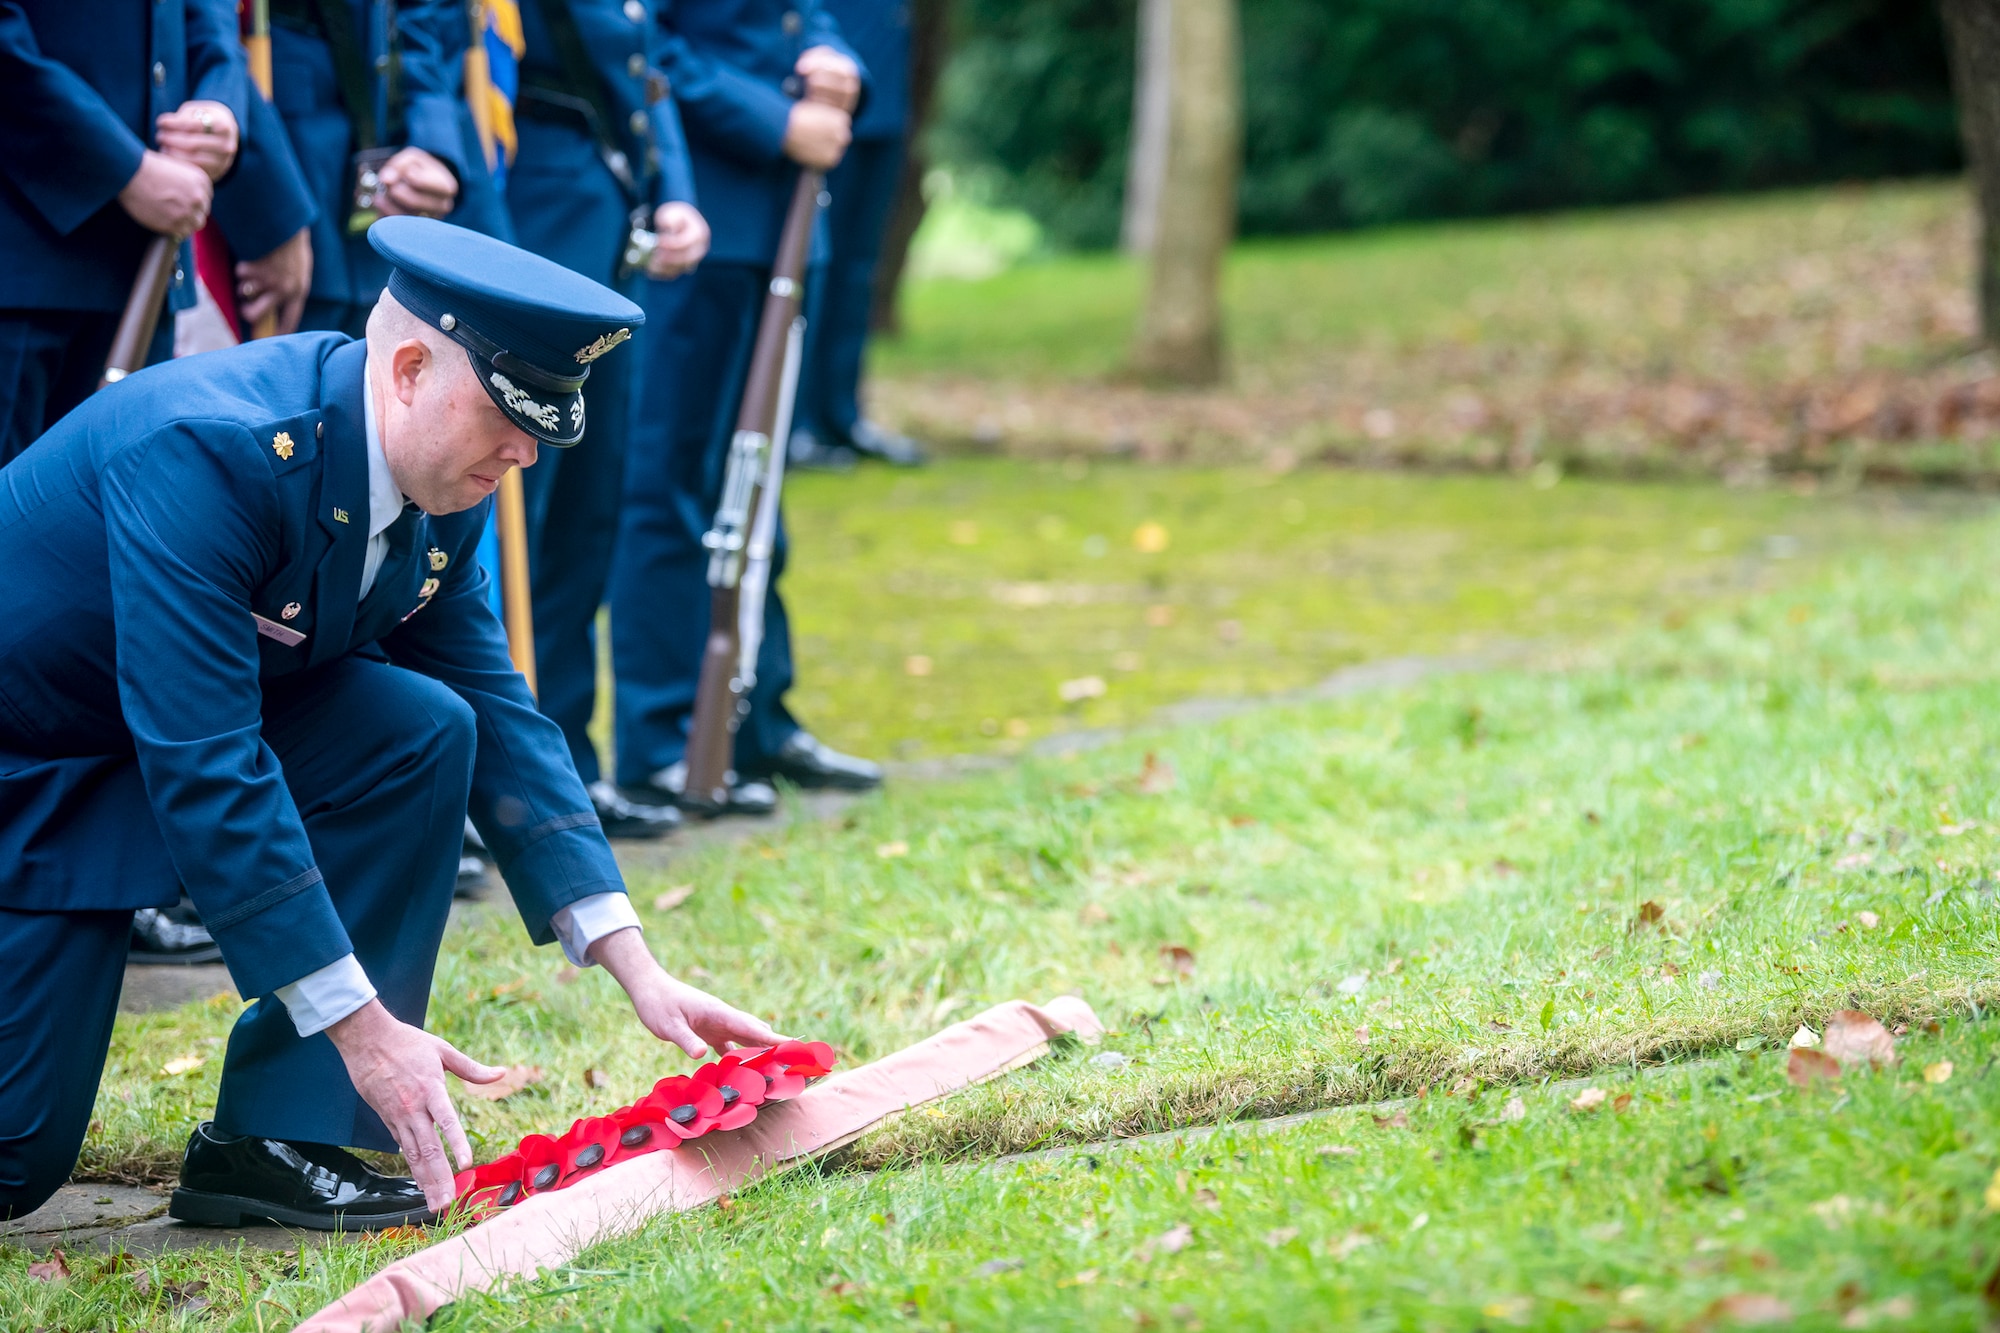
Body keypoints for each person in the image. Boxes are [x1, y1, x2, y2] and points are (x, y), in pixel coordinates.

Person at [0, 216, 782, 1228]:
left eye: (543, 420)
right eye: (509, 415)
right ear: (408, 368)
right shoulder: (211, 452)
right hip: (29, 768)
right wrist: (365, 1027)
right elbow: (207, 762)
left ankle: (281, 1139)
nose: (527, 451)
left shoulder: (441, 476)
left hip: (128, 753)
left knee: (419, 726)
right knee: (15, 1156)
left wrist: (631, 957)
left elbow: (497, 709)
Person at [610, 0, 885, 817]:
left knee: (760, 485)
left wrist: (841, 67)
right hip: (706, 213)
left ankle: (758, 718)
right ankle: (662, 737)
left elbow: (809, 17)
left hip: (793, 221)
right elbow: (647, 43)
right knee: (671, 480)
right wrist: (776, 123)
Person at [504, 0, 713, 838]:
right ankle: (508, 776)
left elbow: (645, 58)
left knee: (589, 506)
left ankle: (566, 765)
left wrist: (674, 191)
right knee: (527, 500)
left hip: (603, 199)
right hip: (529, 200)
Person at [0, 0, 248, 464]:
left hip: (145, 272)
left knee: (104, 527)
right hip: (20, 259)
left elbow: (209, 17)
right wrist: (121, 169)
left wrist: (221, 103)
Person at [264, 0, 515, 338]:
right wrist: (270, 214)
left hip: (394, 172)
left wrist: (433, 140)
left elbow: (420, 15)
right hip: (286, 176)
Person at [786, 0, 924, 471]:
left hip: (881, 92)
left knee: (857, 269)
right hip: (817, 98)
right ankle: (795, 422)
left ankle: (841, 414)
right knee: (810, 267)